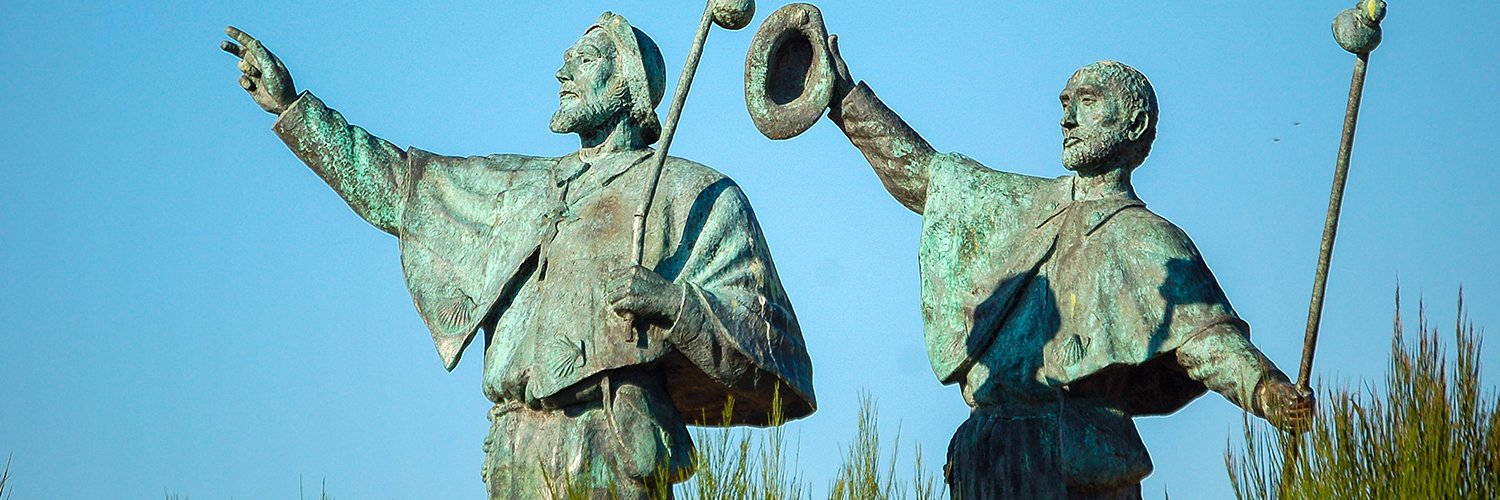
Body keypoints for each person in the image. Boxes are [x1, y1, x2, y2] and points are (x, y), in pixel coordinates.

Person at [220, 13, 814, 499]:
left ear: (629, 86)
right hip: (513, 451)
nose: (562, 71)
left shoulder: (693, 193)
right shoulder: (518, 188)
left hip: (610, 440)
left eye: (585, 60)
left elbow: (772, 341)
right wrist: (294, 109)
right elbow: (400, 188)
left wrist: (672, 302)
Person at [821, 35, 1312, 499]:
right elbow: (926, 177)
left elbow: (1209, 342)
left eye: (1088, 102)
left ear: (1134, 124)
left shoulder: (1149, 240)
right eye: (1064, 104)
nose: (1068, 119)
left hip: (1078, 457)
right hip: (988, 455)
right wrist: (844, 99)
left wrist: (1268, 392)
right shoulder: (1023, 206)